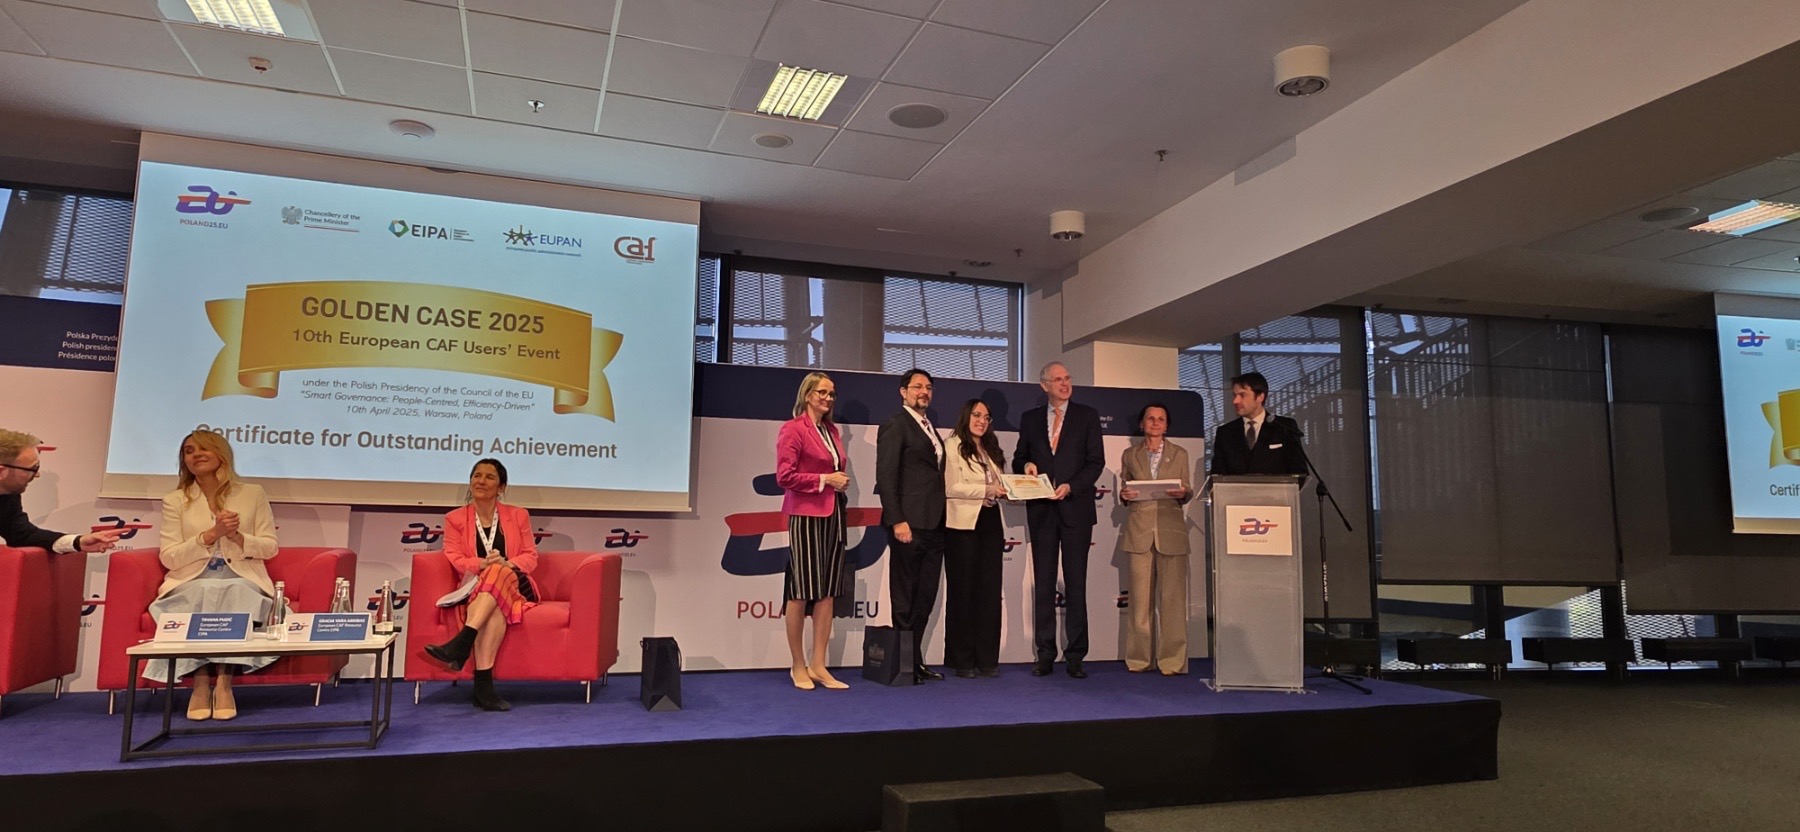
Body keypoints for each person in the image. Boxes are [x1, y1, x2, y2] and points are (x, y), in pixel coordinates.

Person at [149, 430, 279, 721]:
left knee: (238, 590)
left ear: (221, 454)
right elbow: (169, 557)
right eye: (189, 451)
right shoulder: (175, 500)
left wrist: (236, 536)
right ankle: (199, 684)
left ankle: (223, 683)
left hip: (242, 575)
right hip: (191, 579)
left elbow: (270, 547)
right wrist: (209, 536)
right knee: (201, 590)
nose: (196, 455)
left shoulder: (252, 493)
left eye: (204, 448)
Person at [424, 458, 540, 711]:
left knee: (498, 571)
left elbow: (530, 556)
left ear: (501, 487)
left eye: (489, 477)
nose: (481, 481)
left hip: (516, 584)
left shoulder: (518, 515)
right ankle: (483, 689)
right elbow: (454, 557)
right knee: (494, 604)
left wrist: (506, 563)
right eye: (477, 475)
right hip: (478, 586)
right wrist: (482, 564)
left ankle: (463, 641)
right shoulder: (455, 518)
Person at [1012, 362, 1105, 678]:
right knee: (1044, 584)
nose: (1065, 383)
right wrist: (1026, 466)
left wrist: (1071, 486)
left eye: (1067, 378)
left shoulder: (1087, 416)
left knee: (1076, 584)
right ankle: (1045, 653)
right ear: (1044, 386)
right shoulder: (1030, 419)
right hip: (1042, 511)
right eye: (1058, 379)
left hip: (1076, 509)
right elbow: (1019, 457)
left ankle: (1076, 655)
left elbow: (1095, 463)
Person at [774, 372, 852, 691]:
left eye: (832, 394)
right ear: (808, 395)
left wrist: (836, 482)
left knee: (827, 591)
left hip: (833, 514)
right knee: (801, 591)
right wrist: (825, 480)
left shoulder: (831, 430)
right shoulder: (793, 429)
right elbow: (784, 476)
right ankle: (798, 664)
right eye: (823, 392)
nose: (828, 398)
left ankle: (818, 664)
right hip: (805, 515)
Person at [875, 368, 947, 683]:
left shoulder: (930, 428)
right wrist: (897, 519)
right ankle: (904, 666)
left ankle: (916, 661)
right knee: (905, 596)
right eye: (917, 386)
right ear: (903, 392)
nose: (924, 391)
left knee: (925, 596)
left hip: (935, 524)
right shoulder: (896, 425)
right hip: (908, 524)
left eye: (928, 387)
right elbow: (886, 476)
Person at [1118, 404, 1194, 675]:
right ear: (1142, 424)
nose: (1155, 422)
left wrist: (1183, 493)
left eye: (1161, 419)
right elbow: (1125, 487)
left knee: (1172, 601)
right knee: (1139, 602)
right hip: (1139, 531)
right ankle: (1139, 659)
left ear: (1167, 425)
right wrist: (1124, 495)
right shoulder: (1130, 455)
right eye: (1150, 418)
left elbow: (1187, 489)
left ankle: (1172, 661)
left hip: (1171, 532)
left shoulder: (1180, 453)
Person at [942, 399, 1007, 678]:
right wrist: (986, 489)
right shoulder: (952, 445)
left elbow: (1000, 484)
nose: (982, 420)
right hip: (962, 526)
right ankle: (962, 659)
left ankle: (987, 658)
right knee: (963, 592)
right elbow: (951, 487)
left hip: (990, 521)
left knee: (990, 592)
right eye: (977, 415)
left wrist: (1005, 489)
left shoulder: (991, 448)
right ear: (966, 416)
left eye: (987, 416)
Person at [0, 428, 125, 553]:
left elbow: (22, 535)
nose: (37, 475)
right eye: (32, 469)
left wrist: (78, 542)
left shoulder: (8, 495)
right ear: (1, 472)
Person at [1210, 372, 1308, 478]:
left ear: (1260, 397)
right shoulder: (1225, 433)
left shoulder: (1284, 427)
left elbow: (1299, 473)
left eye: (1242, 395)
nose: (1235, 401)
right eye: (1234, 395)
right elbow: (1217, 477)